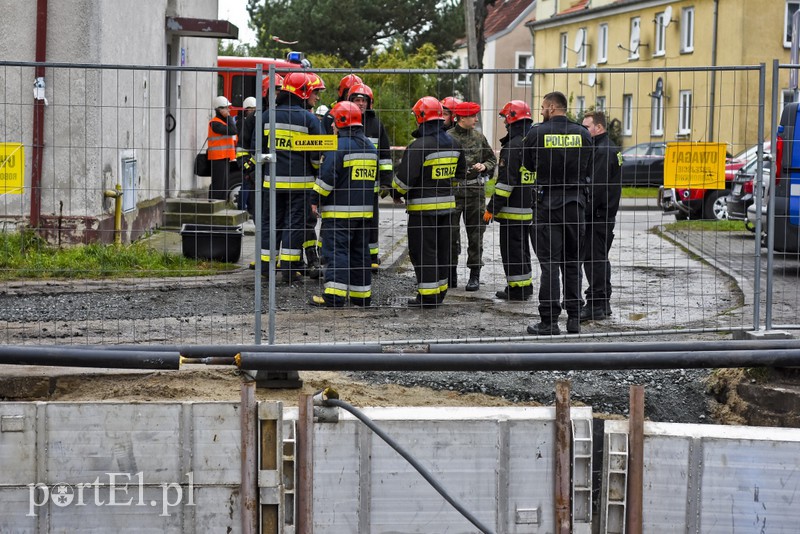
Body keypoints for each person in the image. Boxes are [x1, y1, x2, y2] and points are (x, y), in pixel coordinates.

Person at [522, 91, 592, 335]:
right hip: (576, 204)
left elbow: (528, 164)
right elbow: (588, 166)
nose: (541, 111)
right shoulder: (583, 133)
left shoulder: (537, 133)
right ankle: (574, 319)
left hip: (548, 205)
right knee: (573, 262)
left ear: (552, 107)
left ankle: (549, 321)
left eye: (543, 107)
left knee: (550, 264)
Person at [393, 97, 466, 308]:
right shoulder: (455, 143)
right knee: (443, 251)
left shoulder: (418, 146)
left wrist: (394, 192)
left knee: (423, 253)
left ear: (420, 118)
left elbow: (404, 181)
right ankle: (440, 292)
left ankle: (427, 297)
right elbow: (460, 174)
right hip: (447, 210)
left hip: (422, 212)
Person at [254, 71, 322, 284]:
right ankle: (290, 271)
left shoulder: (266, 117)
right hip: (300, 186)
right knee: (294, 225)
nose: (317, 98)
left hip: (271, 183)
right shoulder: (309, 119)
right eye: (314, 93)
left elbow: (259, 149)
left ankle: (266, 268)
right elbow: (316, 157)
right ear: (302, 92)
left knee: (269, 224)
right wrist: (316, 173)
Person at [308, 101, 378, 307]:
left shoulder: (338, 147)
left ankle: (334, 297)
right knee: (360, 253)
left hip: (339, 214)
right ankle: (361, 296)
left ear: (342, 121)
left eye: (334, 122)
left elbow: (327, 178)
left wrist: (315, 199)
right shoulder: (370, 147)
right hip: (364, 214)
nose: (331, 126)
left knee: (337, 252)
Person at [485, 100, 535, 301]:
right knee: (523, 250)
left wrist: (491, 208)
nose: (504, 122)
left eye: (505, 118)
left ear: (512, 118)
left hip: (512, 210)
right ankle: (526, 286)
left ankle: (516, 290)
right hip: (528, 208)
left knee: (512, 251)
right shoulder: (531, 141)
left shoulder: (513, 146)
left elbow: (506, 183)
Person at [446, 101, 497, 291]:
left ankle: (474, 275)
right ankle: (450, 273)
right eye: (473, 116)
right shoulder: (447, 138)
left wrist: (485, 166)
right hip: (453, 193)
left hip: (475, 193)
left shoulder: (479, 137)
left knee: (476, 235)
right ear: (462, 118)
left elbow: (492, 159)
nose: (476, 119)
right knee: (450, 235)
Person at [580, 110, 622, 321]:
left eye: (587, 127)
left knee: (594, 260)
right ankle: (602, 303)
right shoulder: (604, 147)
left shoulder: (603, 151)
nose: (584, 131)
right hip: (602, 215)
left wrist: (582, 211)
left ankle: (596, 304)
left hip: (597, 215)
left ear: (598, 127)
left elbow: (595, 188)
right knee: (599, 259)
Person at [348, 83, 393, 271]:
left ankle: (372, 257)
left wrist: (385, 182)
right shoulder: (343, 120)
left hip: (370, 185)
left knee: (371, 223)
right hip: (347, 185)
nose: (360, 104)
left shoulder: (376, 125)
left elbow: (384, 155)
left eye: (363, 100)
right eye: (357, 100)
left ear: (369, 103)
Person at [207, 96, 237, 200]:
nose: (229, 110)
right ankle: (214, 204)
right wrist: (228, 117)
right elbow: (233, 130)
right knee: (218, 185)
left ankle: (220, 204)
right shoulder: (215, 123)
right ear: (220, 109)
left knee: (223, 184)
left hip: (224, 157)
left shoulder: (222, 122)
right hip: (217, 157)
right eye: (226, 108)